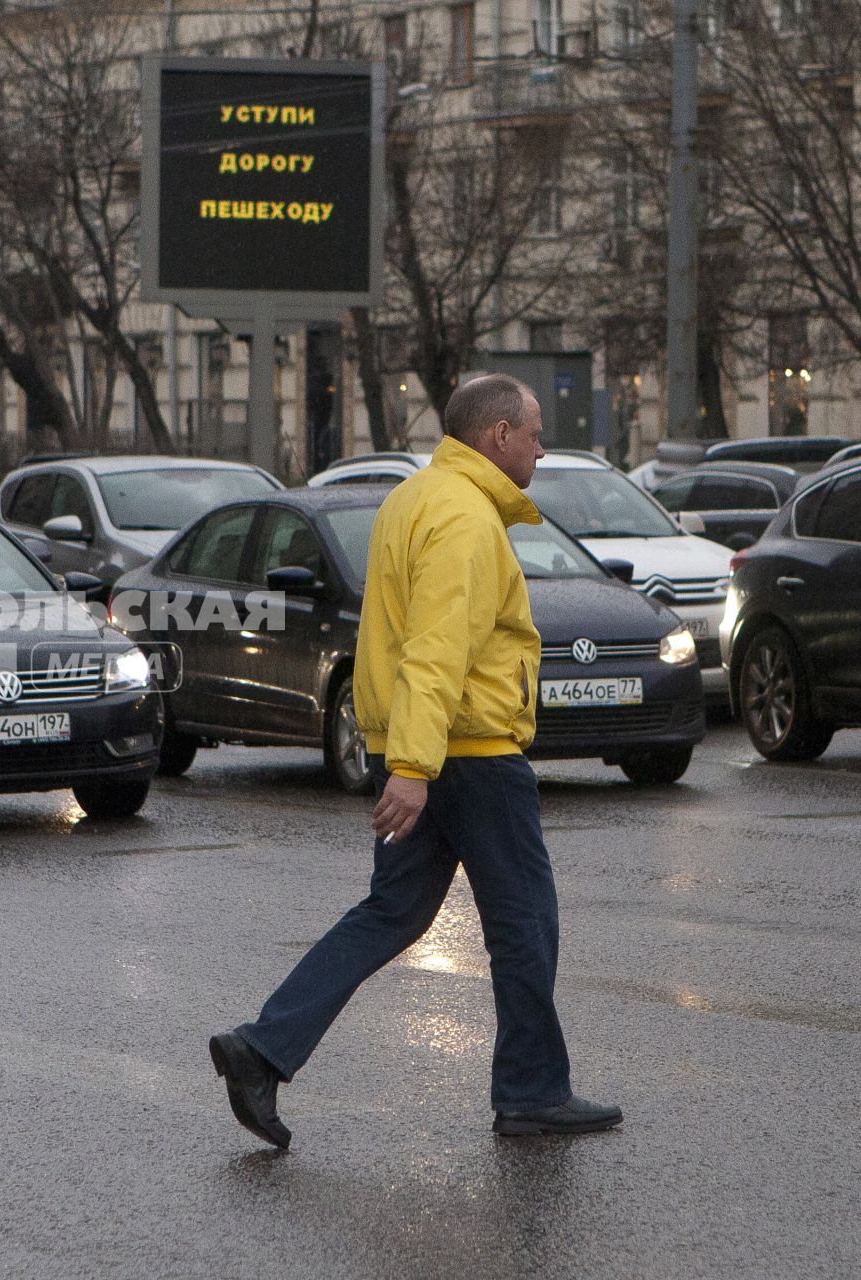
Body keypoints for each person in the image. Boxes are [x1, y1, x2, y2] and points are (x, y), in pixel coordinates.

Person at [208, 372, 621, 1147]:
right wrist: (416, 768)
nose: (540, 445)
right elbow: (437, 648)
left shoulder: (414, 499)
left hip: (420, 747)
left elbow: (395, 639)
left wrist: (401, 754)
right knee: (525, 923)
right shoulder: (466, 519)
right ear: (497, 437)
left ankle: (262, 1049)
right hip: (469, 754)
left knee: (392, 913)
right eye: (533, 432)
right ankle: (532, 1092)